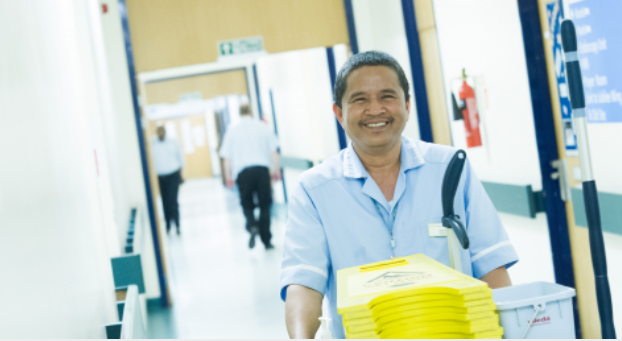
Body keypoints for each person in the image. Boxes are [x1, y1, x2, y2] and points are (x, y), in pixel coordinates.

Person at [280, 51, 519, 339]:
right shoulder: (315, 190)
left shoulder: (450, 169)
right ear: (339, 114)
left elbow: (490, 265)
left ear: (407, 106)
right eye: (360, 99)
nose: (375, 110)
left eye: (387, 96)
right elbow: (304, 282)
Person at [220, 104, 281, 250]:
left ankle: (252, 225)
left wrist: (228, 176)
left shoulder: (232, 131)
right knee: (265, 204)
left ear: (239, 114)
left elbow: (226, 158)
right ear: (251, 112)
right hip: (262, 170)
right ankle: (267, 240)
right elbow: (274, 152)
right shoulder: (262, 127)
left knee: (246, 203)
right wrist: (276, 170)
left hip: (243, 173)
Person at [152, 125, 184, 234]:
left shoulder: (173, 143)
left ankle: (178, 225)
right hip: (161, 177)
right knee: (164, 201)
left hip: (173, 174)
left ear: (165, 132)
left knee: (173, 201)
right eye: (159, 131)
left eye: (162, 131)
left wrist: (181, 176)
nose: (161, 133)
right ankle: (168, 226)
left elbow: (180, 159)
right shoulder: (153, 144)